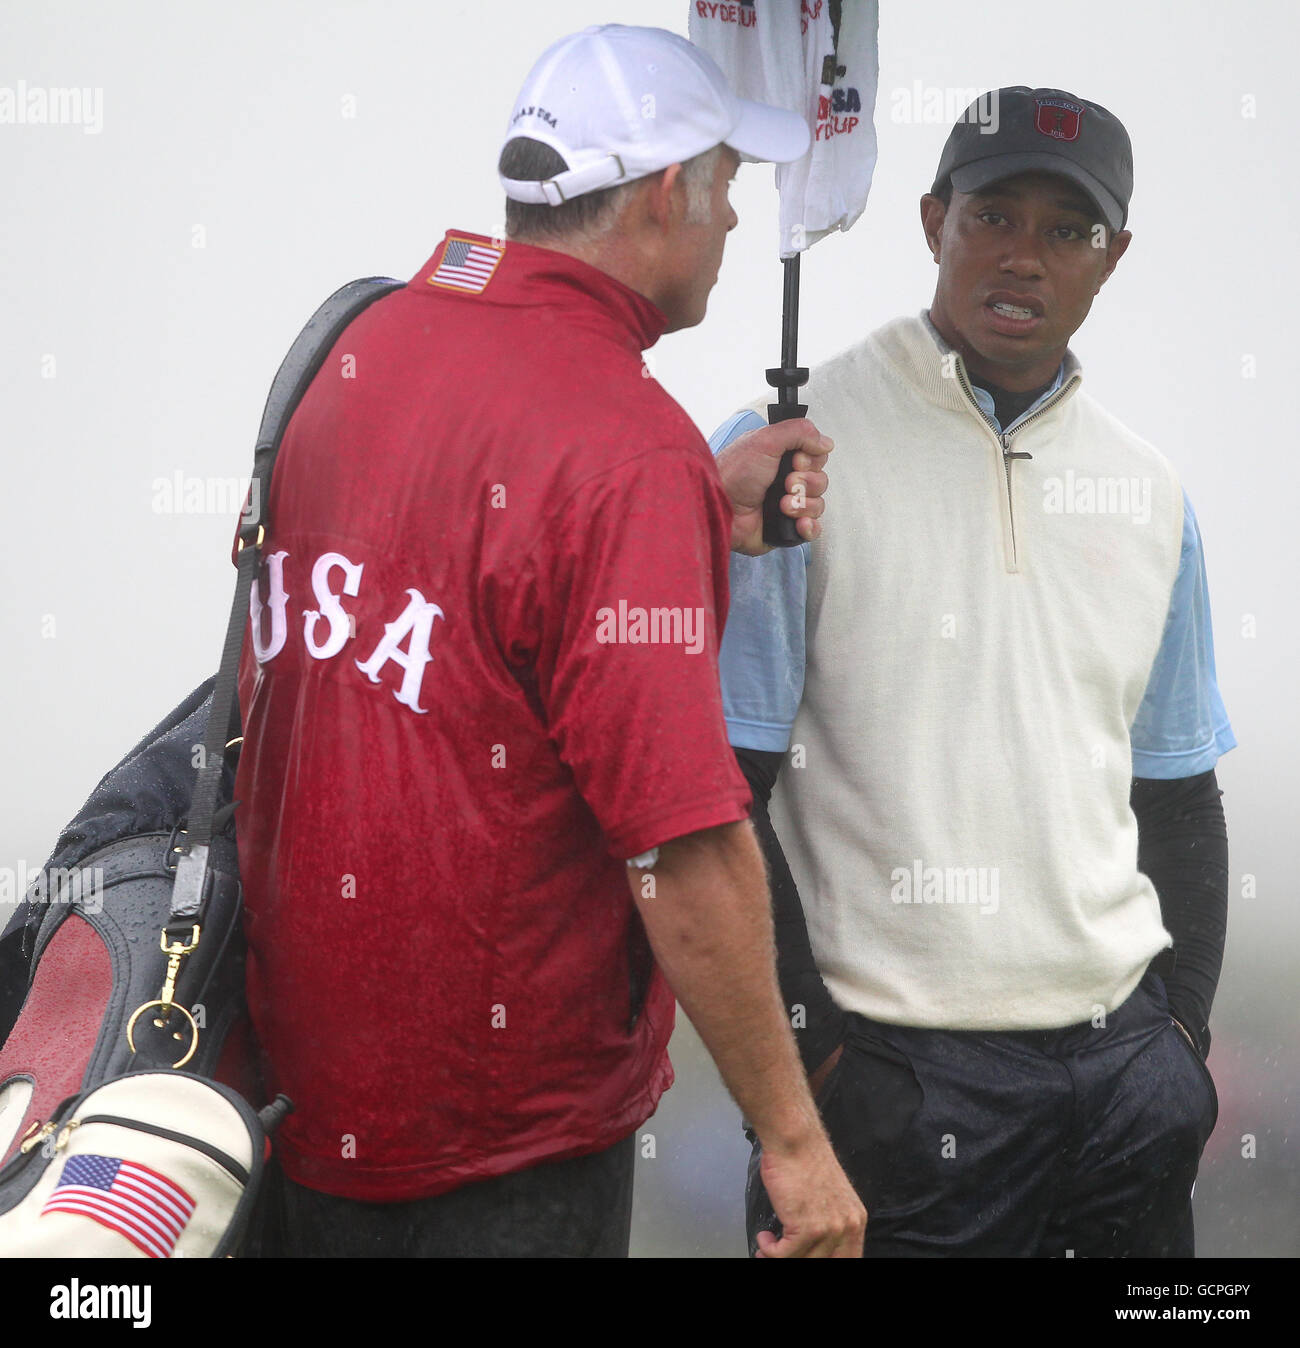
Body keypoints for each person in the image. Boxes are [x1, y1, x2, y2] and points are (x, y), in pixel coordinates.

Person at [232, 24, 864, 1258]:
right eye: (728, 184)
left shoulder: (358, 343)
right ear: (667, 191)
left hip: (292, 1111)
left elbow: (468, 565)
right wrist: (792, 1141)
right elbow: (681, 850)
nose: (736, 221)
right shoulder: (627, 450)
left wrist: (693, 508)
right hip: (499, 1149)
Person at [713, 86, 1234, 1258]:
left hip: (1125, 1082)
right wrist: (819, 1067)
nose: (1025, 257)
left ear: (1115, 256)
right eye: (993, 215)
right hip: (898, 1087)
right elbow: (718, 792)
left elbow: (1176, 791)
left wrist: (1181, 1051)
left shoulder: (1150, 493)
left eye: (1069, 229)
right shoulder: (791, 455)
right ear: (930, 217)